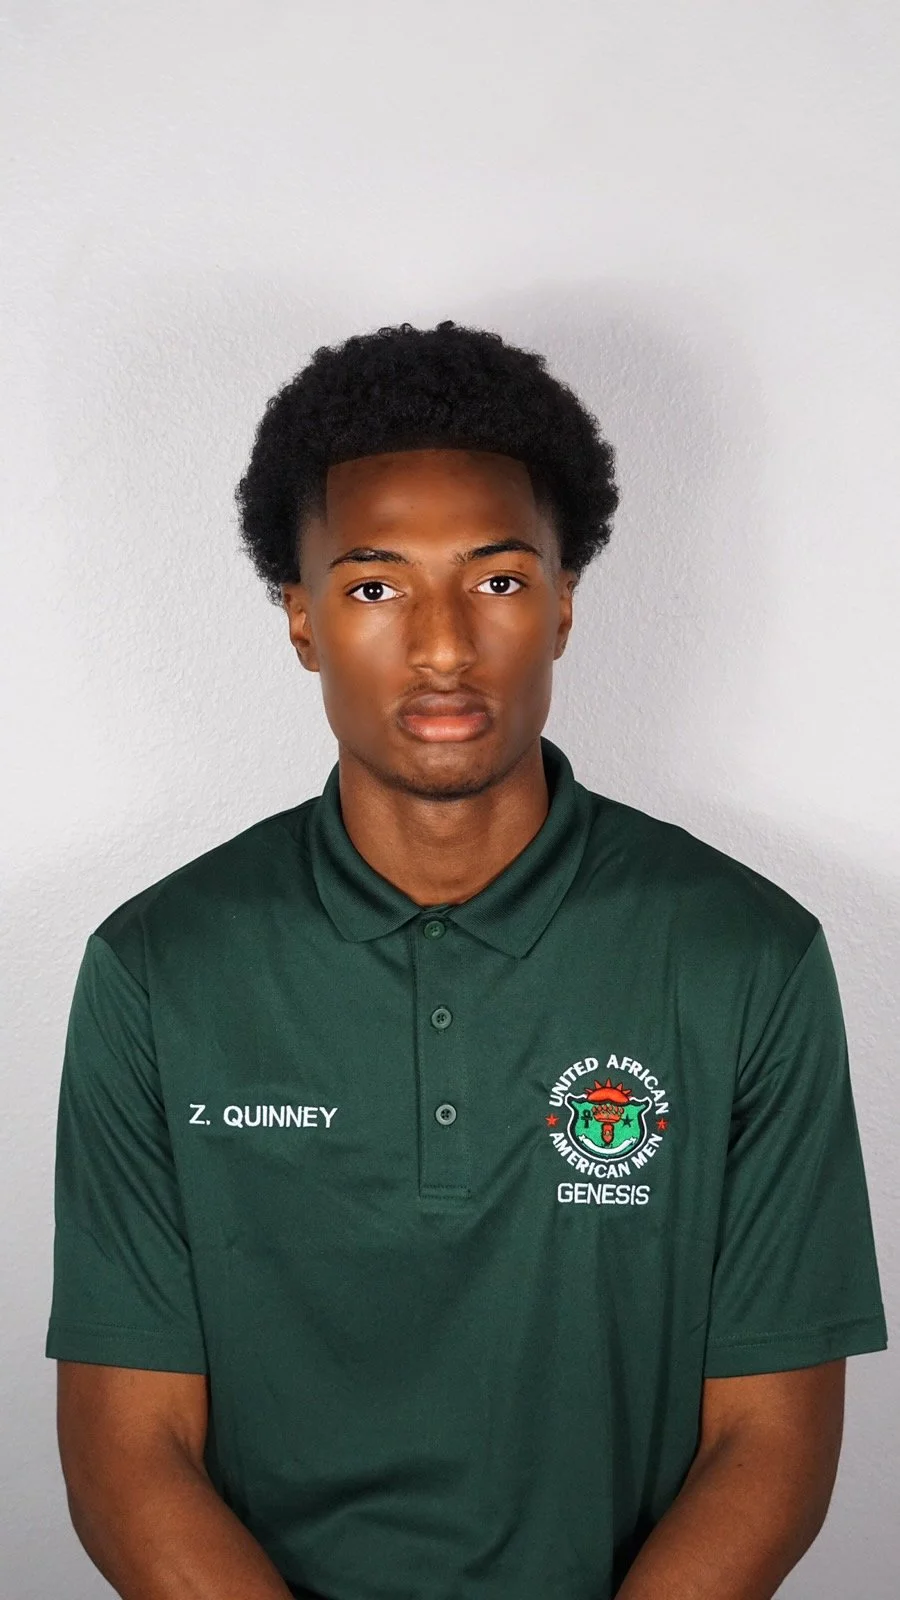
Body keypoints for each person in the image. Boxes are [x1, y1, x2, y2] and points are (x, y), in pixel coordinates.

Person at [46, 320, 887, 1600]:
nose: (442, 645)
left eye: (495, 580)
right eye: (375, 585)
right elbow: (128, 1449)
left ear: (561, 602)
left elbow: (771, 1441)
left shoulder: (744, 956)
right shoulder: (158, 967)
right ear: (301, 618)